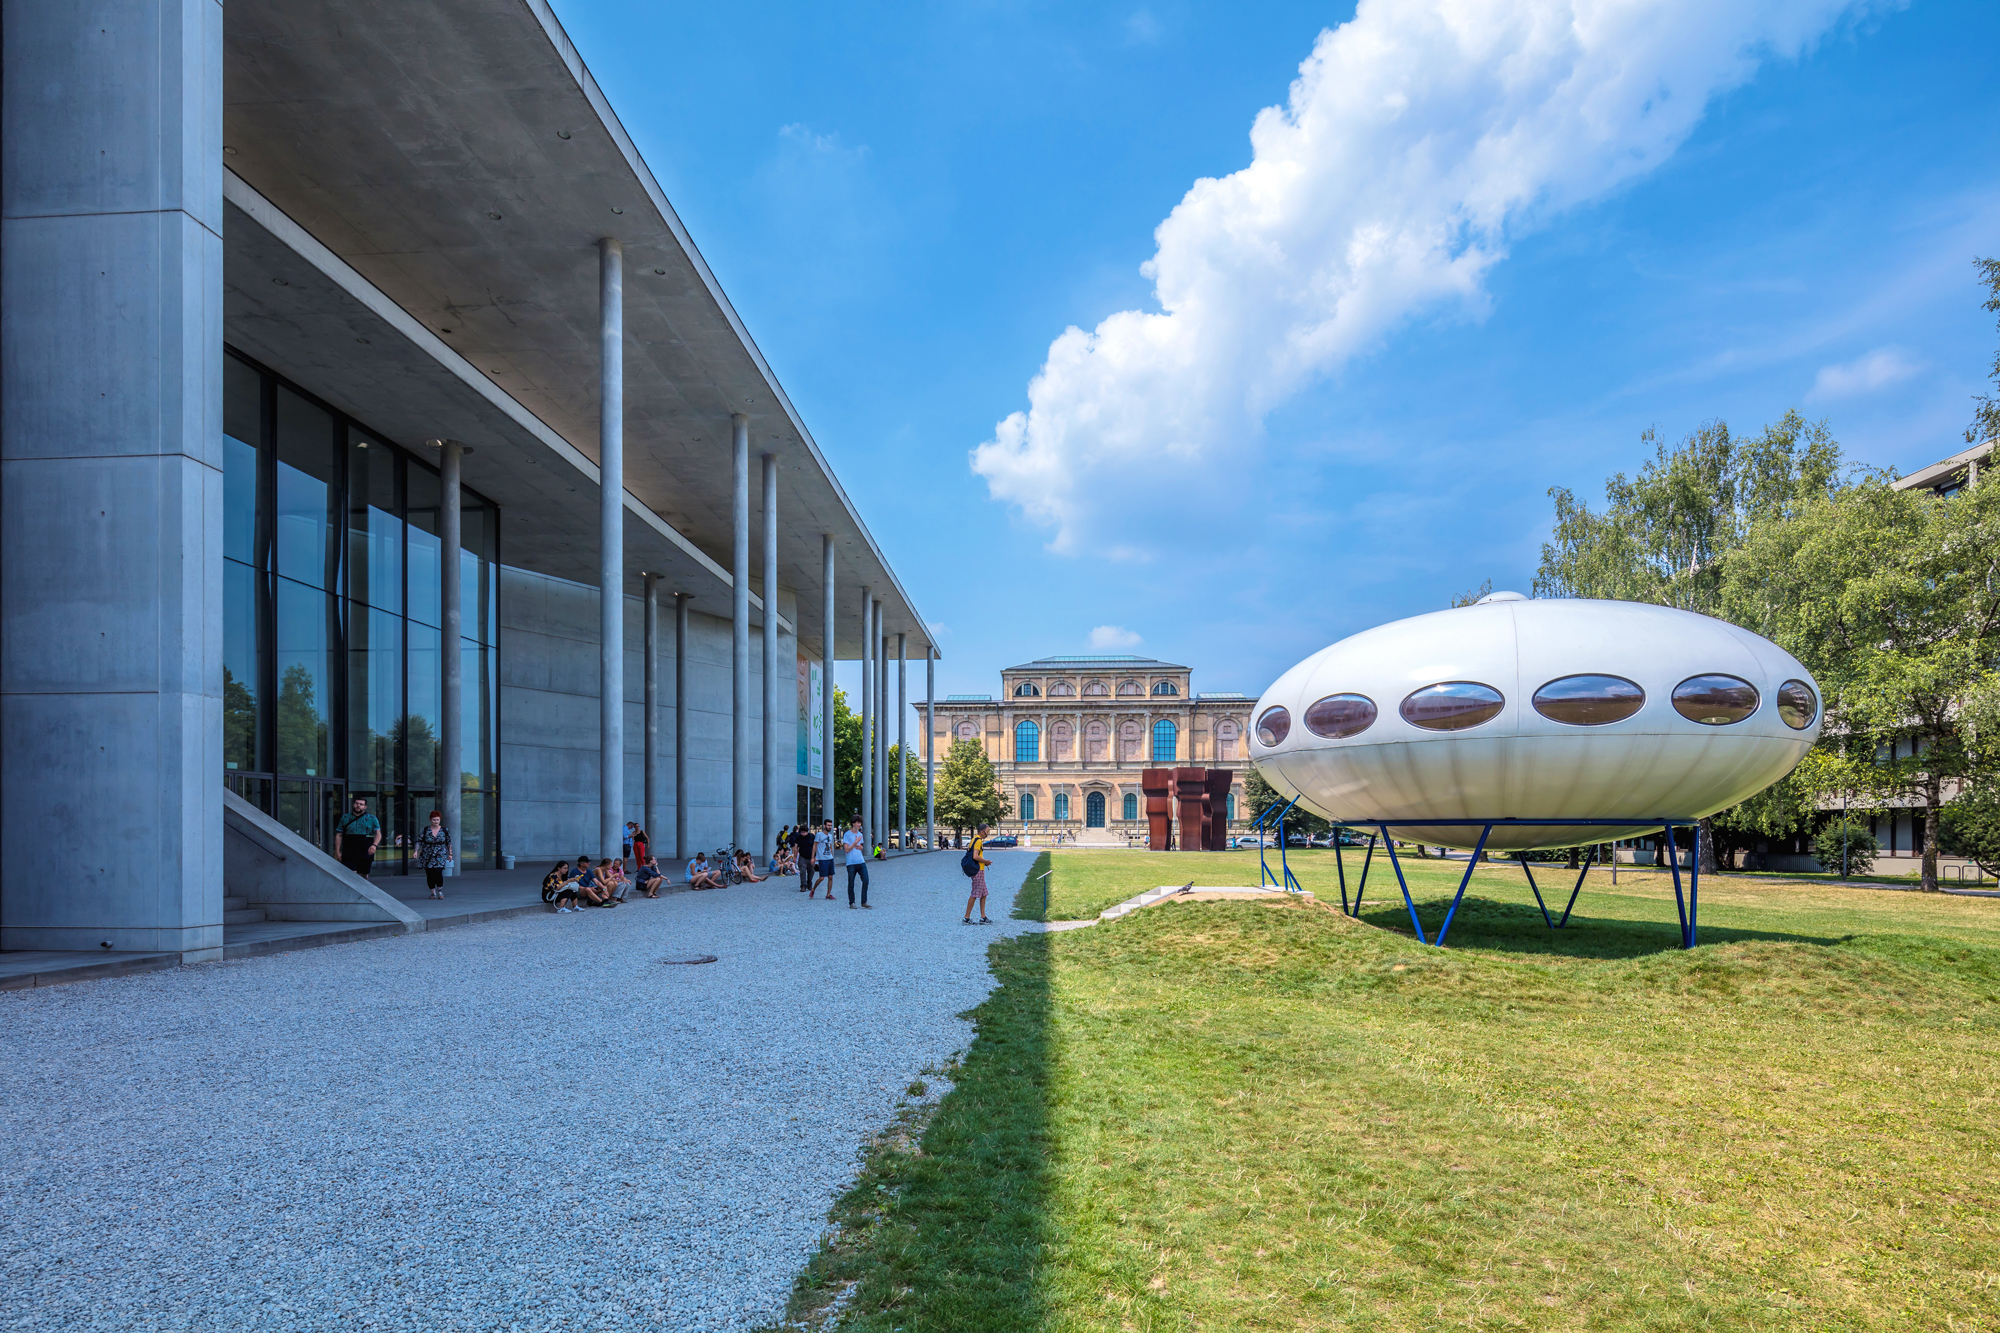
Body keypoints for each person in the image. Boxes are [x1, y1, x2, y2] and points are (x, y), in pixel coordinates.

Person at [336, 796, 382, 879]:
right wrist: (337, 851)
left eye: (361, 804)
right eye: (357, 803)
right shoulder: (345, 818)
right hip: (349, 850)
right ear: (353, 804)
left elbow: (378, 834)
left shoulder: (372, 818)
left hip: (365, 850)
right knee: (349, 875)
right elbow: (339, 835)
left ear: (365, 807)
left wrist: (374, 845)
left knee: (363, 875)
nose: (358, 805)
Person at [414, 809, 453, 898]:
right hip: (427, 854)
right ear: (430, 819)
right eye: (434, 820)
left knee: (438, 872)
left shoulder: (444, 830)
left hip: (440, 854)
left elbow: (449, 842)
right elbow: (419, 841)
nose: (436, 821)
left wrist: (450, 854)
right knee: (430, 874)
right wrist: (416, 851)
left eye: (437, 820)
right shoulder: (425, 830)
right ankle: (433, 893)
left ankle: (440, 892)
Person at [963, 823, 993, 925]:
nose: (987, 834)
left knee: (984, 893)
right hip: (977, 870)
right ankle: (966, 918)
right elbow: (975, 856)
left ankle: (983, 917)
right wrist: (986, 862)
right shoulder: (978, 841)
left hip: (978, 869)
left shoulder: (974, 839)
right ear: (981, 831)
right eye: (987, 832)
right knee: (975, 894)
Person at [843, 818, 870, 909]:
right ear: (853, 823)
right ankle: (852, 902)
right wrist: (855, 843)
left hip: (861, 861)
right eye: (858, 823)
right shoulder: (847, 835)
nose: (859, 824)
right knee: (851, 883)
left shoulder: (860, 834)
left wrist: (860, 847)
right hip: (851, 862)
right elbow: (846, 849)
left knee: (866, 880)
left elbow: (860, 846)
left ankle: (864, 901)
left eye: (860, 823)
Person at [810, 820, 836, 900]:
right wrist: (813, 857)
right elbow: (814, 846)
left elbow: (830, 846)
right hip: (822, 858)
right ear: (824, 826)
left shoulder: (831, 836)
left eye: (831, 825)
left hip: (829, 858)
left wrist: (832, 857)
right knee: (822, 877)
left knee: (830, 877)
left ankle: (828, 894)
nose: (830, 827)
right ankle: (813, 889)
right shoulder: (819, 835)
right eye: (828, 825)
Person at [791, 824, 817, 892]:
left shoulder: (812, 836)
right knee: (802, 871)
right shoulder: (798, 837)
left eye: (804, 832)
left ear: (807, 831)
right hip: (802, 856)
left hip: (811, 857)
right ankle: (803, 885)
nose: (803, 834)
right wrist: (795, 857)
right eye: (801, 832)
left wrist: (815, 856)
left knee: (811, 871)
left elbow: (816, 846)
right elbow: (796, 847)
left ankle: (809, 883)